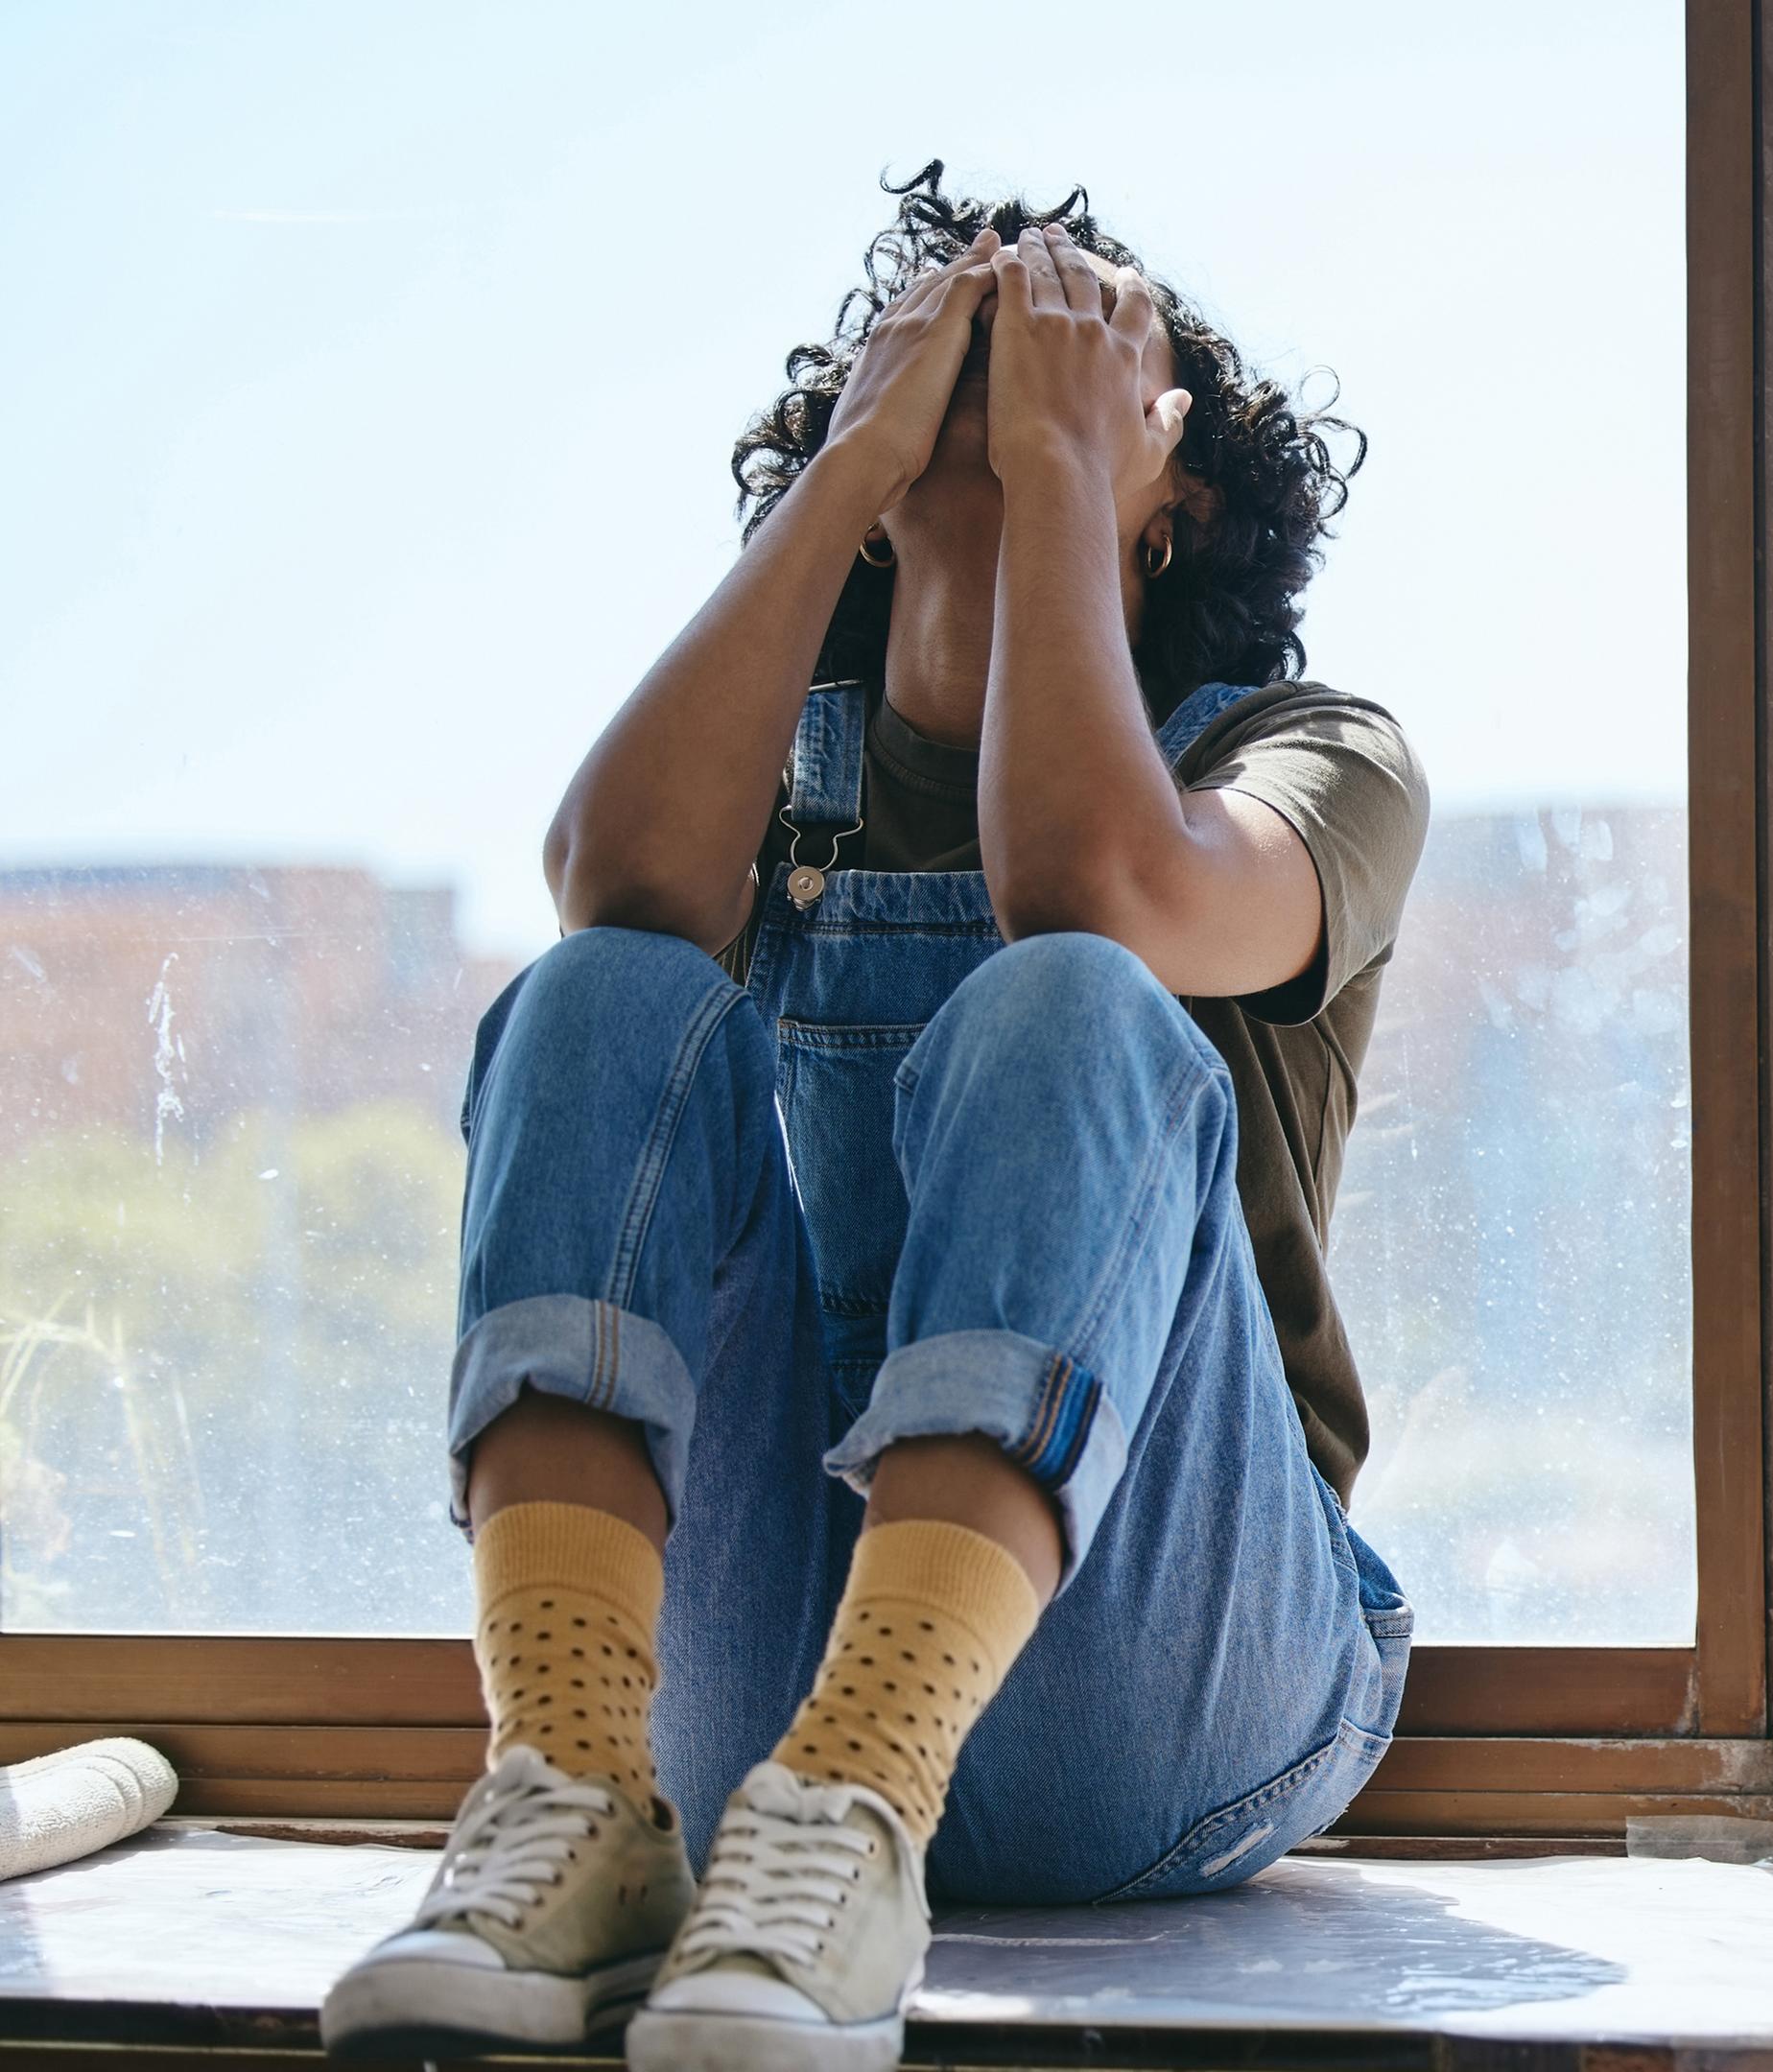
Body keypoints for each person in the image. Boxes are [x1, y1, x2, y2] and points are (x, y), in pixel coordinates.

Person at [320, 167, 1424, 2072]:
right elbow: (617, 885)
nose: (1011, 353)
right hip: (756, 1699)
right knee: (595, 989)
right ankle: (573, 1798)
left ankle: (874, 1790)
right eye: (956, 342)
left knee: (1069, 993)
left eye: (1083, 345)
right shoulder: (777, 758)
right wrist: (849, 478)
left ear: (1190, 495)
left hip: (1162, 1694)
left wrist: (1072, 480)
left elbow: (1100, 890)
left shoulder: (1306, 760)